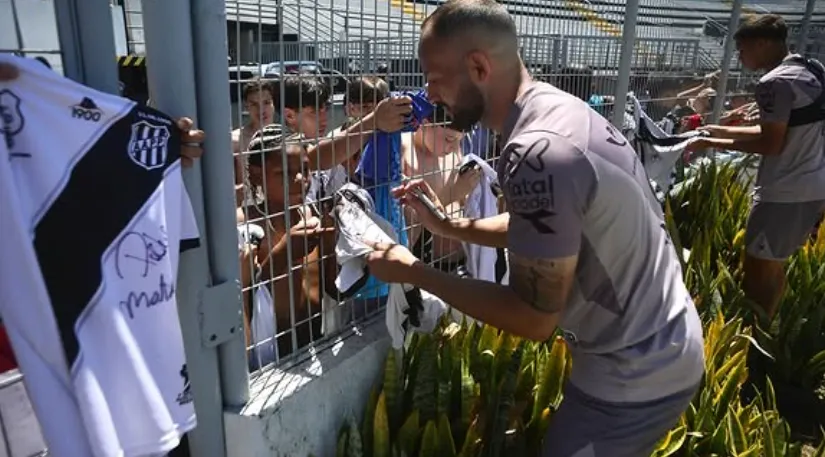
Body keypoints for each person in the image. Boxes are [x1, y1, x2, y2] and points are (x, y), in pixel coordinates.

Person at [362, 2, 704, 456]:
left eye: (435, 77)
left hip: (632, 372)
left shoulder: (535, 154)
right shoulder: (560, 110)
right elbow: (545, 227)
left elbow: (533, 318)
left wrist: (414, 272)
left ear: (478, 66)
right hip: (664, 341)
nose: (429, 93)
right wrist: (451, 225)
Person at [685, 14, 825, 322]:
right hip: (812, 183)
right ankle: (768, 323)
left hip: (785, 191)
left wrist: (713, 143)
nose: (739, 56)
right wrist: (718, 131)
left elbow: (770, 145)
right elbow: (780, 134)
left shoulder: (773, 83)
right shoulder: (810, 69)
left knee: (757, 271)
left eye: (743, 48)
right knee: (772, 266)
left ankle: (755, 336)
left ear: (762, 43)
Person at [232, 79, 275, 207]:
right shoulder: (235, 140)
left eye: (266, 103)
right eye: (254, 104)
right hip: (248, 209)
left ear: (274, 104)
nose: (261, 109)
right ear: (247, 107)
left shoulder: (287, 136)